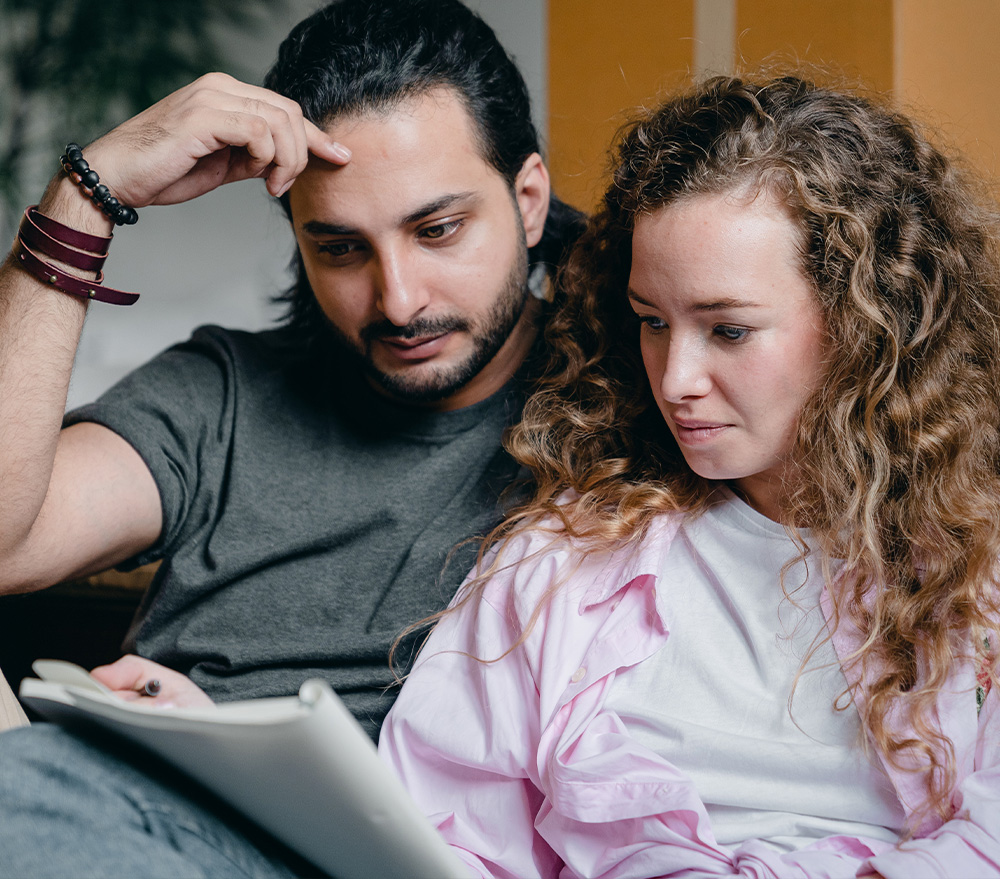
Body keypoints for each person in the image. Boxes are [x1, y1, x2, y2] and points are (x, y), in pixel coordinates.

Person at [0, 0, 584, 874]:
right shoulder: (227, 392)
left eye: (437, 230)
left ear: (528, 201)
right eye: (342, 248)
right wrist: (88, 198)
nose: (397, 299)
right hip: (118, 801)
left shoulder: (628, 408)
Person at [379, 74, 1000, 878]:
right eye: (652, 323)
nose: (675, 379)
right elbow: (438, 836)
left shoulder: (973, 560)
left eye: (729, 329)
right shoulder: (560, 565)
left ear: (866, 321)